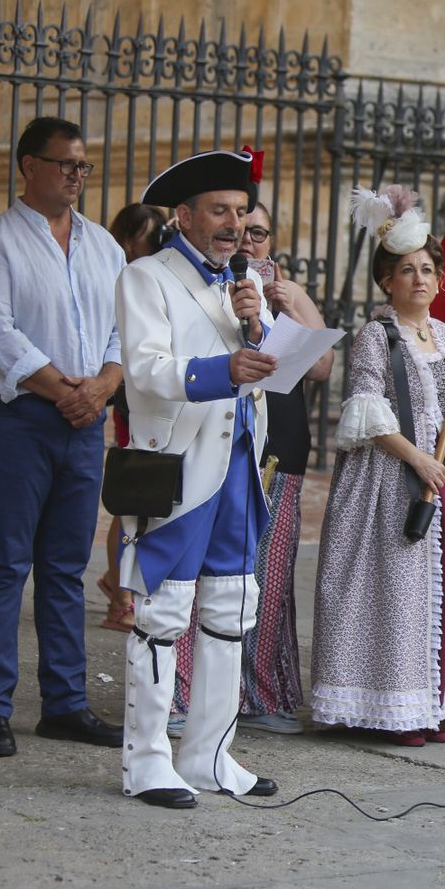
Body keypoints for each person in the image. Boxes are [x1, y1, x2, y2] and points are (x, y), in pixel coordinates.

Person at [112, 148, 281, 808]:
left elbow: (261, 359)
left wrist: (256, 323)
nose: (234, 224)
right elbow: (147, 371)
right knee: (161, 613)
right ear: (183, 215)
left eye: (241, 212)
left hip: (238, 464)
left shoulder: (246, 283)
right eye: (220, 211)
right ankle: (147, 761)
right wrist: (223, 371)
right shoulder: (146, 278)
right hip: (176, 467)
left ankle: (209, 756)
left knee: (230, 608)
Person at [308, 186, 445, 746]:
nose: (420, 279)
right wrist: (416, 460)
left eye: (427, 269)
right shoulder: (375, 334)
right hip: (394, 479)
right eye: (407, 270)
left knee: (444, 589)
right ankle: (388, 704)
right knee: (395, 591)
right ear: (387, 280)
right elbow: (366, 413)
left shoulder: (443, 334)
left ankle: (429, 702)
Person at [0, 116, 125, 759]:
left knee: (65, 568)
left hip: (84, 422)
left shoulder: (104, 246)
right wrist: (66, 390)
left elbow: (123, 325)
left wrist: (105, 385)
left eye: (84, 166)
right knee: (5, 562)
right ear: (29, 166)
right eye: (66, 165)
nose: (78, 177)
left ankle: (64, 704)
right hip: (17, 421)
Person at [174, 201, 335, 733]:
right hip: (215, 442)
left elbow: (321, 366)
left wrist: (293, 302)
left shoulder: (281, 294)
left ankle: (262, 694)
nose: (248, 241)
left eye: (259, 232)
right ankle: (186, 697)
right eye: (241, 230)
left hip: (279, 446)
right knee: (199, 577)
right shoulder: (206, 285)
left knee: (268, 578)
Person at [95, 202, 168, 634]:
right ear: (126, 239)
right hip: (128, 397)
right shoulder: (119, 277)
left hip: (158, 397)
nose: (157, 241)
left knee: (147, 499)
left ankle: (117, 582)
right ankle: (120, 599)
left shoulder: (160, 275)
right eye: (150, 234)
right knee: (131, 501)